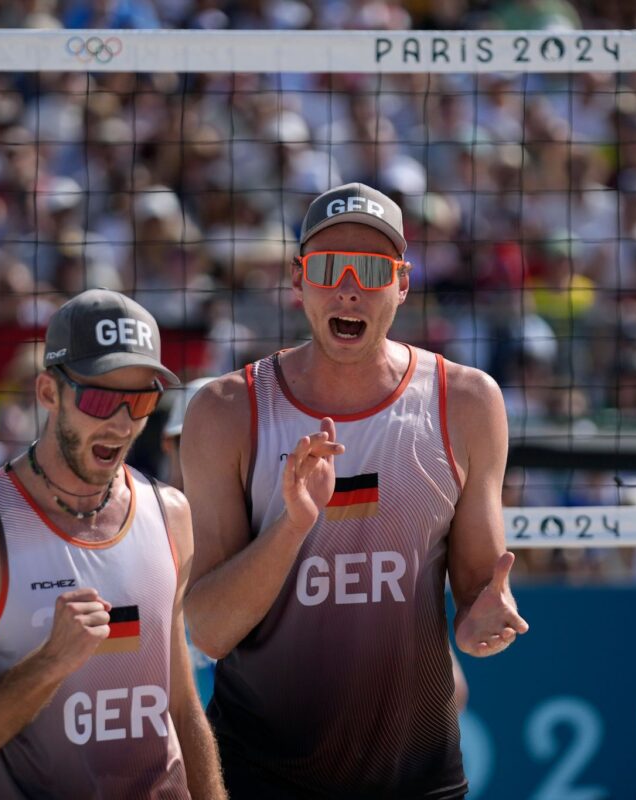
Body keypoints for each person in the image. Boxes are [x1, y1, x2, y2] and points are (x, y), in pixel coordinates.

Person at [181, 183, 528, 798]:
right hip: (262, 774)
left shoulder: (467, 402)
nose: (348, 286)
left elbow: (477, 591)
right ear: (298, 281)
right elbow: (208, 631)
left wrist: (483, 622)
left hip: (416, 775)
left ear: (402, 283)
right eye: (327, 267)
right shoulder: (227, 411)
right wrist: (293, 525)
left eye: (371, 270)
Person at [0, 289, 225, 799]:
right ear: (48, 393)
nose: (122, 422)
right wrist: (51, 662)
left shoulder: (171, 514)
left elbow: (181, 707)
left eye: (142, 399)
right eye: (100, 398)